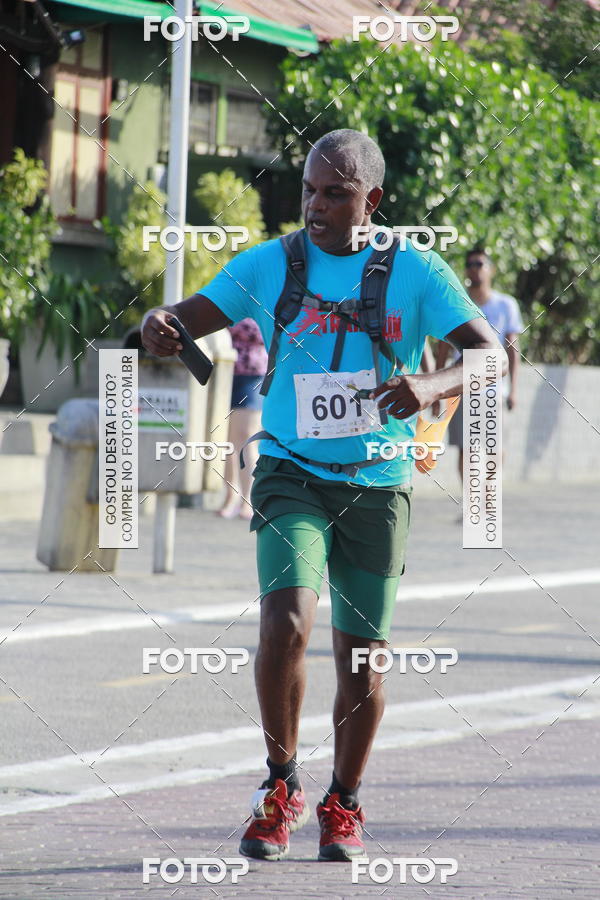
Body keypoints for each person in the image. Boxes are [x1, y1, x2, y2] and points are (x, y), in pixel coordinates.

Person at [141, 129, 506, 863]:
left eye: (334, 192)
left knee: (363, 659)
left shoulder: (416, 271)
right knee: (285, 624)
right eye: (309, 189)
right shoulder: (274, 263)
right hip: (288, 469)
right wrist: (161, 327)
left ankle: (345, 801)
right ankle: (280, 789)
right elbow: (187, 317)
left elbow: (490, 354)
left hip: (376, 482)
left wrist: (433, 385)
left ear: (371, 199)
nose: (315, 204)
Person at [435, 247, 524, 480]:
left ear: (491, 270)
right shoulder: (457, 301)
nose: (475, 269)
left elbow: (513, 349)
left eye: (480, 264)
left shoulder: (506, 305)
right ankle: (470, 503)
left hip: (495, 390)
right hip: (463, 387)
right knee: (467, 448)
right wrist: (437, 389)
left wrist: (513, 389)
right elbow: (442, 347)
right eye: (471, 264)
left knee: (493, 448)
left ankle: (488, 497)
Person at [218, 318, 268, 519]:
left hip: (253, 373)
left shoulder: (265, 295)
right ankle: (230, 495)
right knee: (226, 440)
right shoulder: (227, 293)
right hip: (223, 372)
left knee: (246, 438)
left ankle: (248, 498)